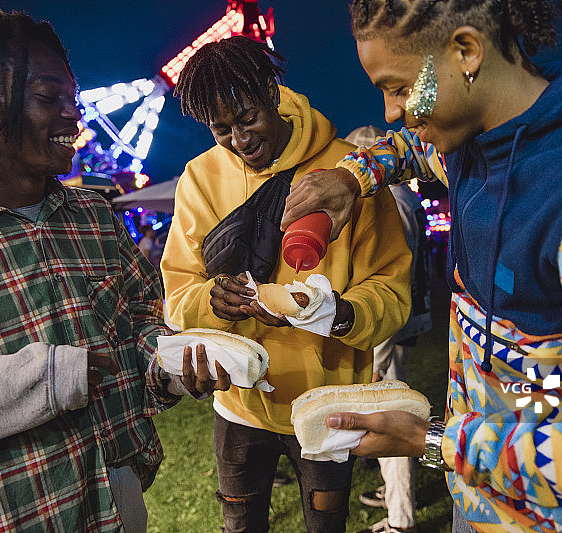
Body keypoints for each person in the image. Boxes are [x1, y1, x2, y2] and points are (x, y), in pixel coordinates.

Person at [280, 1, 562, 532]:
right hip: (479, 501)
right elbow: (409, 148)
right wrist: (352, 178)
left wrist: (435, 441)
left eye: (398, 86)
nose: (391, 111)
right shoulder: (472, 141)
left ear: (465, 51)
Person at [0, 10, 230, 532]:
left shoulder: (95, 218)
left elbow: (145, 321)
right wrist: (34, 383)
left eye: (72, 98)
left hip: (119, 500)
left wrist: (173, 363)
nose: (74, 117)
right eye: (47, 97)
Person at [160, 36, 412, 533]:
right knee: (239, 521)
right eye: (222, 129)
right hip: (239, 406)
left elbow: (391, 287)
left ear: (272, 93)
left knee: (326, 524)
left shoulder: (346, 173)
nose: (239, 139)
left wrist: (340, 313)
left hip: (330, 400)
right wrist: (213, 301)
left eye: (248, 118)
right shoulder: (199, 179)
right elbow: (178, 294)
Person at [346, 127, 433, 533]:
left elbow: (392, 272)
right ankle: (395, 497)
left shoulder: (391, 201)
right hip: (404, 320)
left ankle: (401, 519)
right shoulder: (407, 198)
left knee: (389, 416)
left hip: (392, 325)